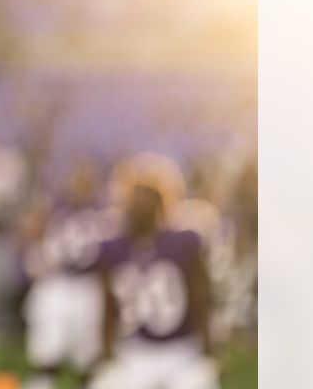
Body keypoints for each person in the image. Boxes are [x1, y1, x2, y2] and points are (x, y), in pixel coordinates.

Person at [89, 153, 217, 389]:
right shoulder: (112, 248)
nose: (139, 206)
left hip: (181, 352)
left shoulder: (184, 242)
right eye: (134, 198)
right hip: (133, 352)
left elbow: (202, 298)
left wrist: (207, 351)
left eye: (146, 198)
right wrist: (106, 355)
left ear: (162, 203)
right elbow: (108, 307)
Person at [20, 160, 113, 389]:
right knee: (46, 355)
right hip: (58, 284)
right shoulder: (55, 208)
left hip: (89, 285)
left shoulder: (105, 211)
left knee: (89, 359)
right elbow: (30, 233)